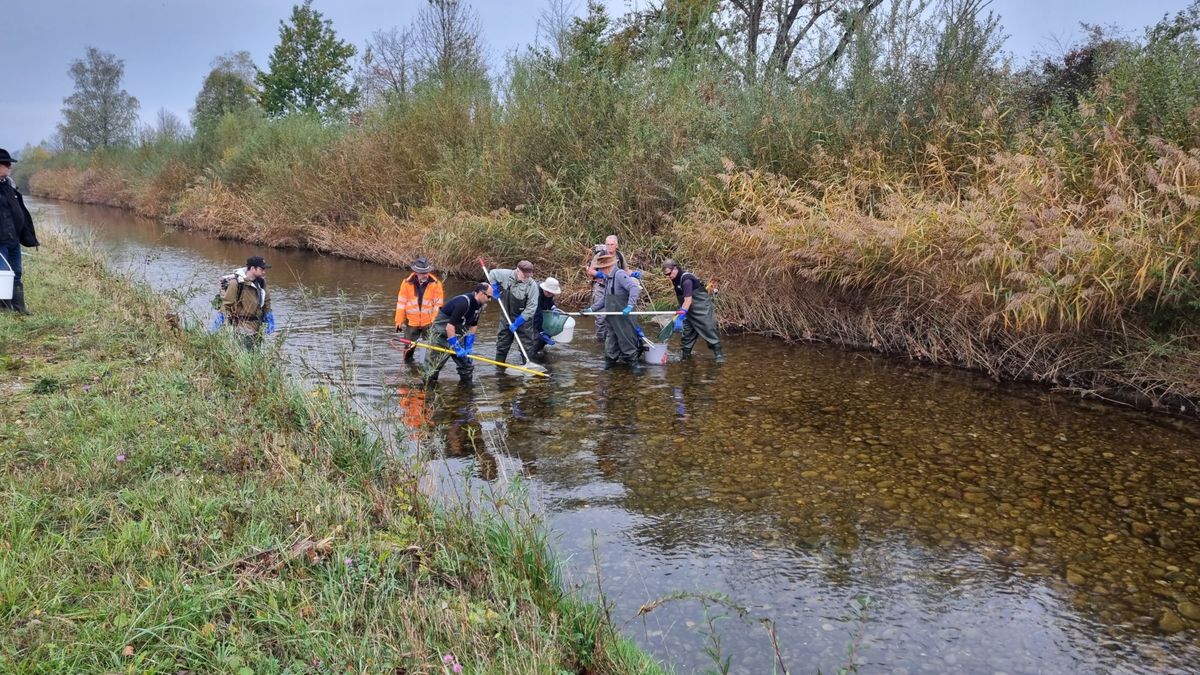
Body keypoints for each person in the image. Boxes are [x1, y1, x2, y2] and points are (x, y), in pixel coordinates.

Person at [424, 282, 492, 387]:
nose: (490, 300)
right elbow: (449, 327)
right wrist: (456, 347)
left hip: (458, 336)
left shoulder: (481, 305)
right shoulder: (463, 303)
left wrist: (469, 345)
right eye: (489, 297)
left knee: (467, 365)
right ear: (481, 293)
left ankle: (467, 389)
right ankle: (427, 389)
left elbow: (473, 324)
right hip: (440, 336)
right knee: (432, 367)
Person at [583, 254, 642, 372]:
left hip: (623, 316)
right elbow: (605, 298)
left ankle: (633, 364)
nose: (600, 271)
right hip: (611, 316)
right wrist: (592, 309)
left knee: (626, 340)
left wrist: (630, 305)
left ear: (607, 267)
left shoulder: (619, 275)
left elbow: (634, 288)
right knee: (610, 341)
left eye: (601, 269)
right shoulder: (607, 279)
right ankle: (610, 362)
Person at [0, 149, 39, 315]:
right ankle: (4, 308)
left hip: (13, 239)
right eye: (6, 163)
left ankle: (19, 307)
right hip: (0, 241)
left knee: (16, 272)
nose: (10, 166)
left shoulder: (9, 185)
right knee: (3, 274)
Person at [662, 258, 724, 362]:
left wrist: (680, 317)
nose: (668, 277)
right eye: (666, 275)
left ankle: (719, 356)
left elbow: (688, 300)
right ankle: (685, 357)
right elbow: (683, 300)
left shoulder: (686, 280)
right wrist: (681, 313)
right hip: (688, 311)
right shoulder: (675, 280)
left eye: (669, 274)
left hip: (702, 308)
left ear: (675, 268)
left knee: (708, 329)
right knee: (687, 334)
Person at [585, 235, 638, 341]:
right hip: (601, 287)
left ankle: (612, 340)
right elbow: (590, 271)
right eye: (607, 244)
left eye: (612, 244)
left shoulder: (619, 256)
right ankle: (601, 340)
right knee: (601, 317)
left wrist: (633, 274)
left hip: (615, 289)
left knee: (613, 317)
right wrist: (600, 274)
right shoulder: (600, 255)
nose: (609, 246)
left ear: (616, 245)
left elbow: (626, 270)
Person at [487, 260, 539, 368]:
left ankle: (528, 366)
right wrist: (495, 287)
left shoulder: (532, 286)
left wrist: (518, 322)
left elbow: (531, 308)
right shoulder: (505, 275)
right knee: (502, 342)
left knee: (526, 345)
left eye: (529, 275)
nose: (527, 278)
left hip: (523, 319)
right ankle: (499, 368)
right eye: (524, 275)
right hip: (506, 315)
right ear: (518, 270)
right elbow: (492, 274)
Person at [394, 256, 444, 363]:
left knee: (430, 350)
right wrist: (399, 321)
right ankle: (408, 367)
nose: (425, 275)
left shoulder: (436, 284)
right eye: (422, 273)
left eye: (426, 272)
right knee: (408, 349)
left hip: (429, 323)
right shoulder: (406, 283)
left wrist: (434, 322)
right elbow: (401, 304)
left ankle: (426, 368)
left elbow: (438, 305)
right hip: (412, 322)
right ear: (416, 272)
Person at [221, 255, 275, 350]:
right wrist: (220, 319)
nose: (264, 272)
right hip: (242, 328)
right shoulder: (236, 283)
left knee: (255, 354)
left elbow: (267, 301)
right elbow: (226, 305)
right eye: (261, 269)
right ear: (253, 268)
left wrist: (269, 317)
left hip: (257, 327)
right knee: (244, 353)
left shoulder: (261, 282)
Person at [530, 277, 562, 358]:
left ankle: (539, 349)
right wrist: (540, 331)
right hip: (530, 314)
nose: (549, 295)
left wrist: (553, 307)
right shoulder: (536, 293)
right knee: (537, 336)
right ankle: (531, 354)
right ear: (544, 289)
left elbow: (549, 301)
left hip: (540, 314)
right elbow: (537, 314)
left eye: (552, 293)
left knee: (547, 334)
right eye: (548, 292)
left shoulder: (549, 294)